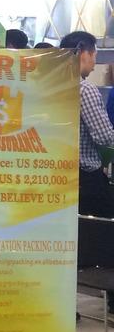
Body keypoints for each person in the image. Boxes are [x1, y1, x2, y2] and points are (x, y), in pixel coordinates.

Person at [60, 31, 114, 218]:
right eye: (94, 55)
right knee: (100, 228)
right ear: (83, 53)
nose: (94, 63)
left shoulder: (54, 85)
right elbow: (105, 136)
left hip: (59, 173)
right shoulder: (85, 89)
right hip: (86, 177)